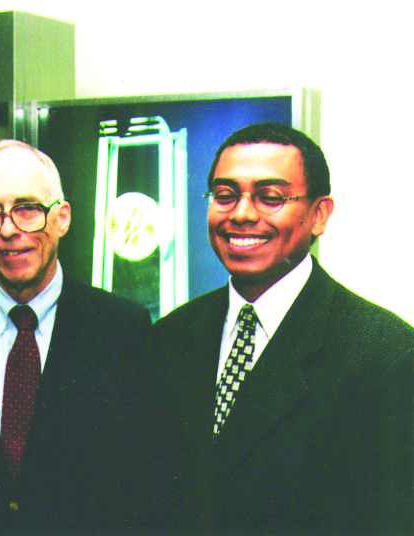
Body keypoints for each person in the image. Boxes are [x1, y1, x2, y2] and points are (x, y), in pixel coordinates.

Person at [149, 122, 414, 533]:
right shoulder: (170, 336)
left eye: (269, 197)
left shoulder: (383, 353)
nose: (241, 213)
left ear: (319, 214)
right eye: (225, 195)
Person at [0, 139, 153, 533]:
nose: (9, 230)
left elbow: (138, 484)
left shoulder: (122, 330)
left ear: (62, 218)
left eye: (27, 209)